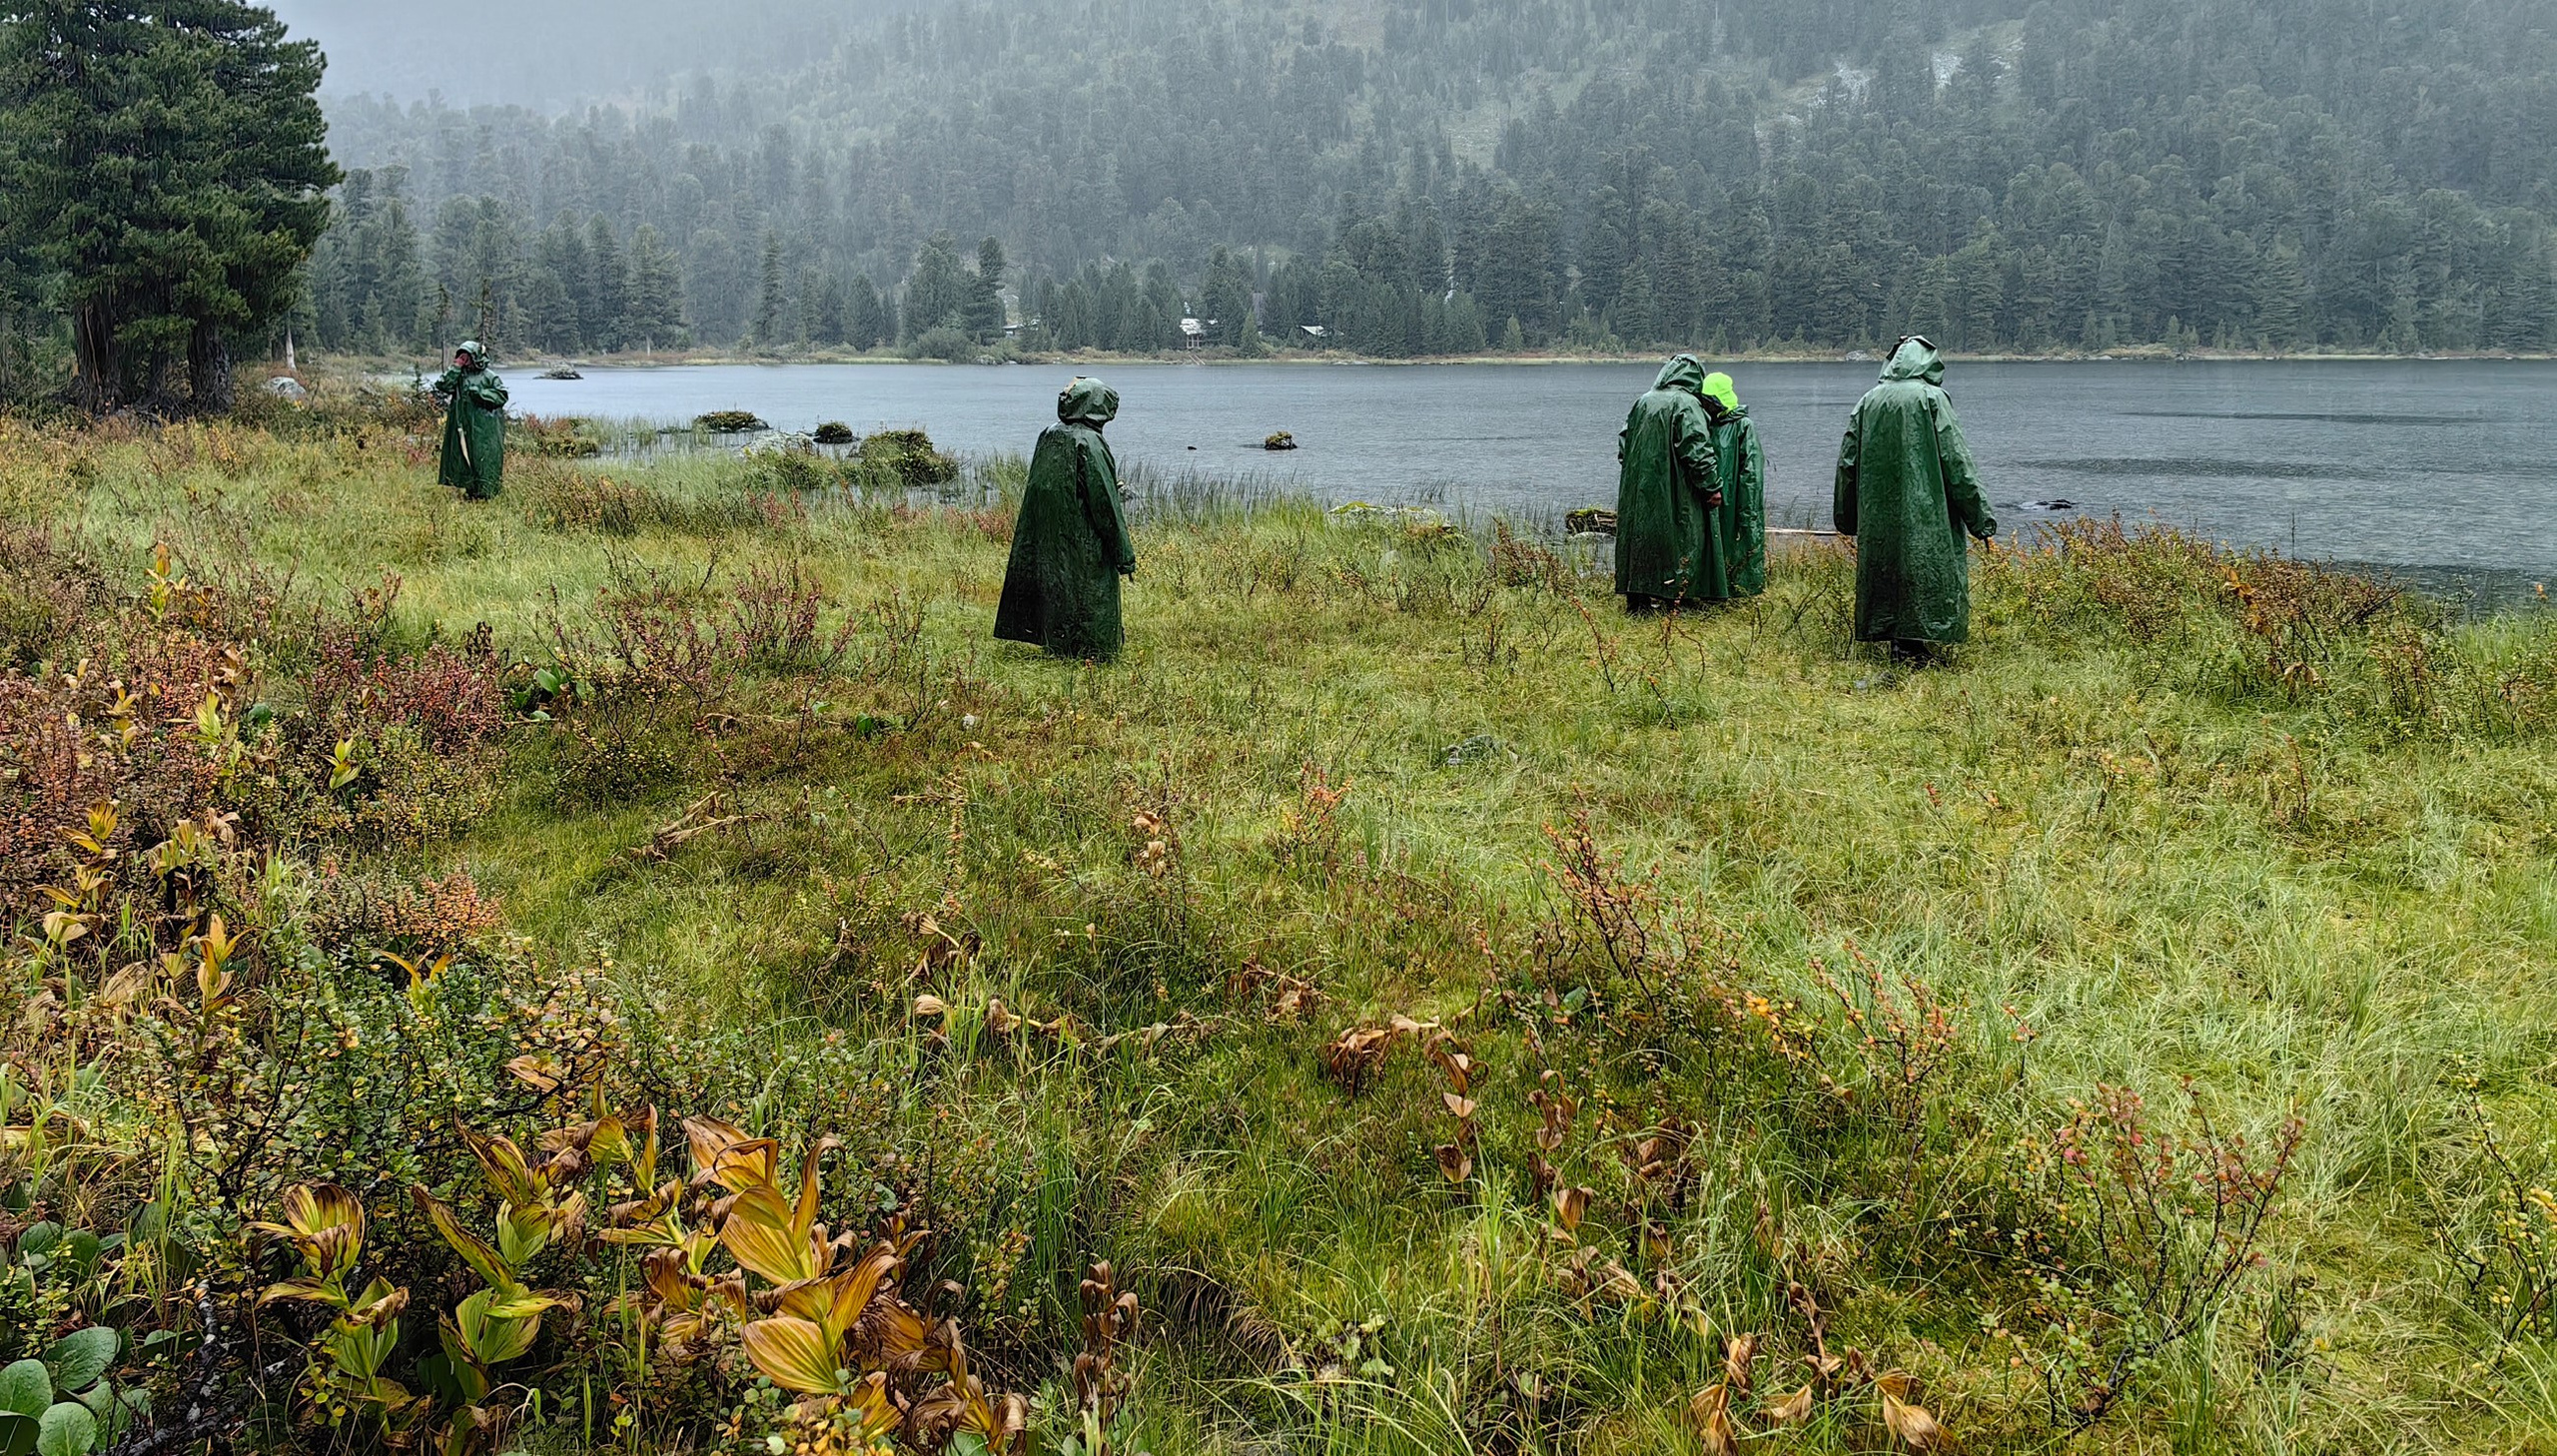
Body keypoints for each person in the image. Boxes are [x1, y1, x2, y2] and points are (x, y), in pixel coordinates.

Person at [1833, 337, 1995, 660]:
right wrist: (1981, 520)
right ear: (1929, 363)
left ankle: (1899, 644)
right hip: (1926, 515)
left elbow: (1847, 464)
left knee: (1887, 572)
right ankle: (1914, 648)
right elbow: (1957, 462)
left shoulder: (1868, 401)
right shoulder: (1932, 398)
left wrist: (1847, 518)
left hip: (1878, 516)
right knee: (1926, 571)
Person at [995, 376, 1136, 659]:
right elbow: (1105, 506)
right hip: (1083, 539)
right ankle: (1095, 651)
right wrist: (1125, 557)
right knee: (1090, 591)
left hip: (1049, 538)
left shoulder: (1049, 434)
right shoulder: (1091, 443)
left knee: (1058, 589)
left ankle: (1057, 644)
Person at [1614, 355, 1720, 611]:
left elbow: (1623, 447)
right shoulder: (1687, 404)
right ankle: (1678, 599)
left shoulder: (1643, 401)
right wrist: (1711, 485)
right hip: (1676, 490)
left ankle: (1637, 601)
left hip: (1637, 489)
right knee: (1680, 538)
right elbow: (1697, 448)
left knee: (1641, 541)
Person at [1700, 370, 1767, 599]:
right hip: (1711, 495)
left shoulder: (1742, 425)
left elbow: (1752, 468)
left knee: (1737, 538)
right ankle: (1712, 588)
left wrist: (1747, 500)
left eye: (1710, 400)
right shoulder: (1705, 425)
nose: (1707, 406)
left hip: (1735, 495)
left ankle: (1741, 587)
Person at [431, 342, 508, 499]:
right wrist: (455, 367)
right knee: (465, 456)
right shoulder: (460, 376)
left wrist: (480, 393)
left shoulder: (490, 376)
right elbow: (442, 385)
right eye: (462, 356)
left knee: (486, 458)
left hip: (486, 427)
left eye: (467, 356)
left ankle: (487, 493)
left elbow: (501, 396)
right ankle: (470, 491)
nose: (465, 360)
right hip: (464, 425)